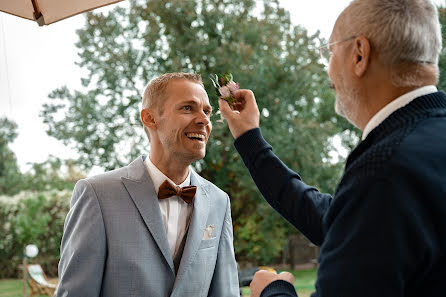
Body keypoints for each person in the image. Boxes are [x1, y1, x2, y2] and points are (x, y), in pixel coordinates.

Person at [218, 0, 446, 296]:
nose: (328, 70)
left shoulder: (385, 170)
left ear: (360, 54)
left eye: (330, 51)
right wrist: (249, 138)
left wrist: (273, 291)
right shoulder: (418, 152)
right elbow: (346, 223)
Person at [56, 73, 239, 297]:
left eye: (207, 111)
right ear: (150, 118)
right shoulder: (97, 195)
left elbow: (226, 292)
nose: (204, 120)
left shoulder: (219, 202)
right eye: (187, 108)